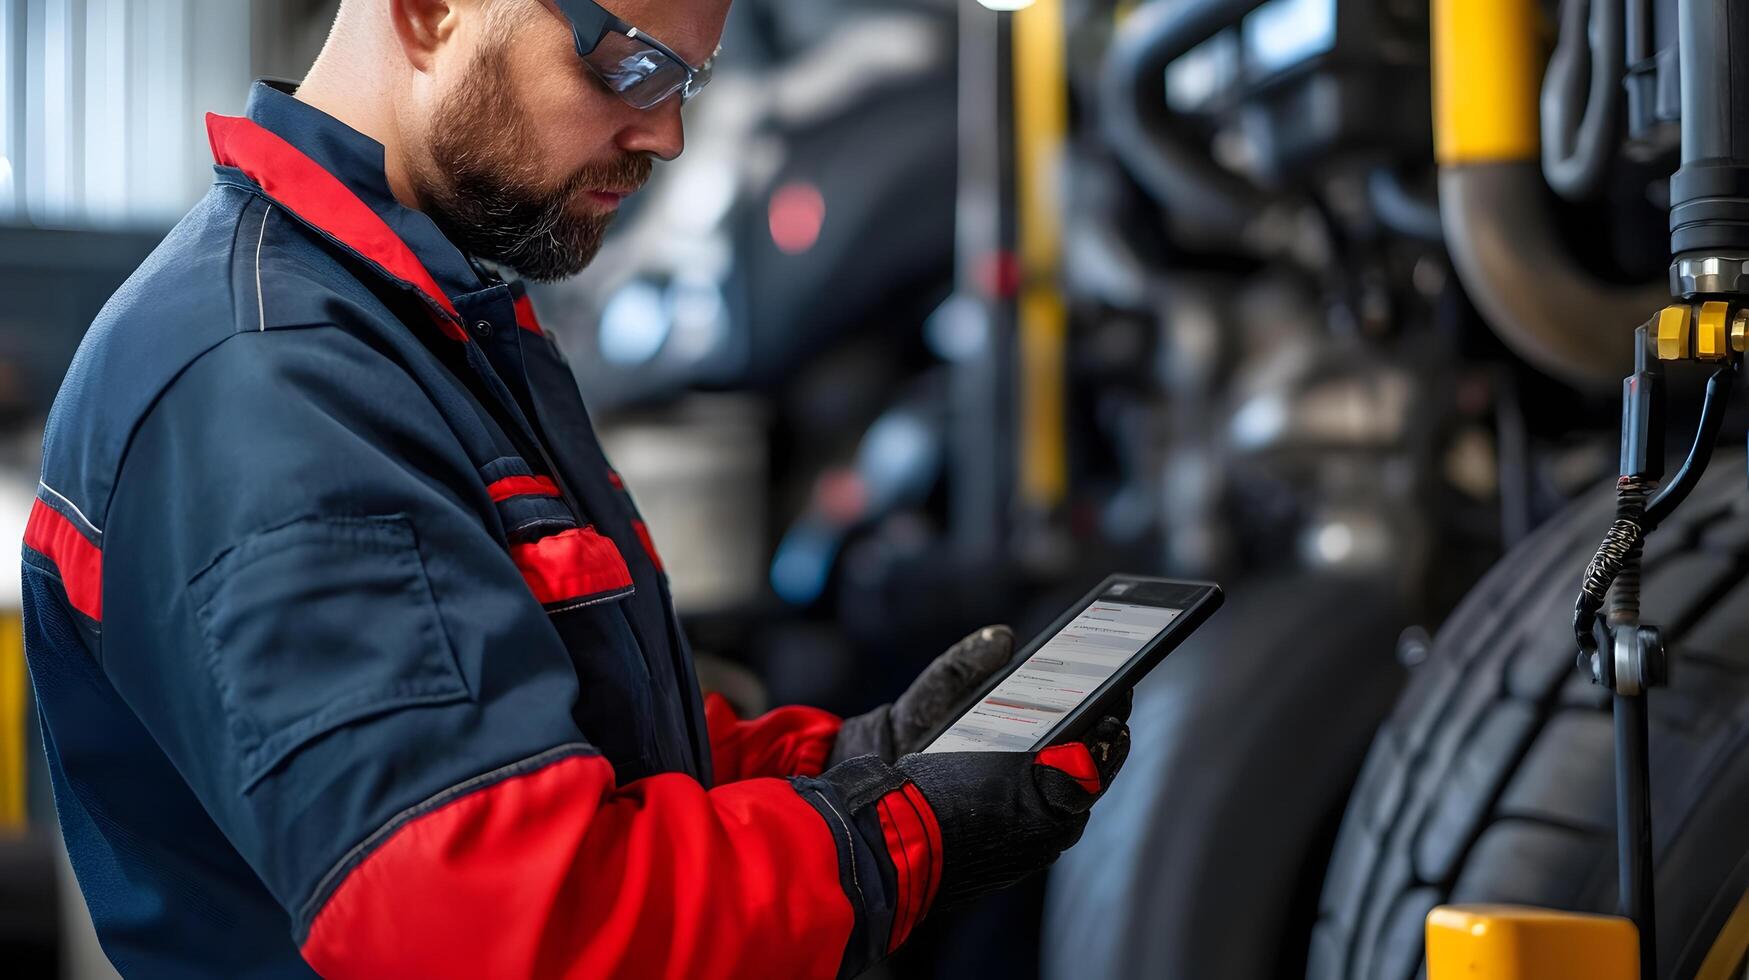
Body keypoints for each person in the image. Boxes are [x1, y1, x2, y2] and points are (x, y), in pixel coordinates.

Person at [20, 0, 1130, 976]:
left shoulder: (416, 329)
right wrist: (894, 836)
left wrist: (863, 761)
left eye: (687, 79)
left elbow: (575, 742)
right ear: (429, 10)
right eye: (630, 66)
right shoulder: (267, 386)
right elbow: (501, 924)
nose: (670, 133)